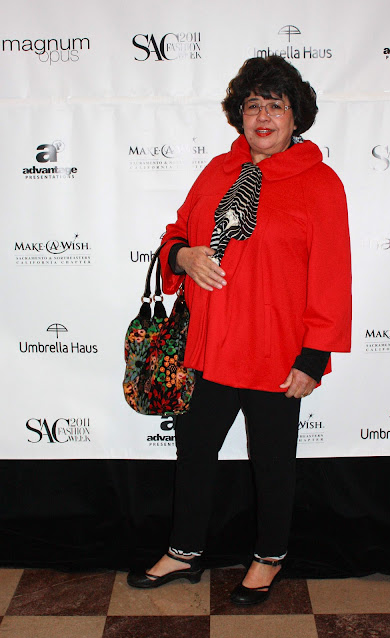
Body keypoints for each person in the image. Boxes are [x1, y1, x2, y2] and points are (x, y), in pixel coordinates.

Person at [127, 55, 351, 605]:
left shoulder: (320, 183)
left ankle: (269, 557)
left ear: (296, 117)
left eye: (276, 106)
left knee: (272, 462)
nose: (263, 117)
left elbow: (332, 274)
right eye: (253, 106)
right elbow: (176, 234)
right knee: (194, 455)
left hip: (276, 353)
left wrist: (314, 357)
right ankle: (184, 552)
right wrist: (183, 256)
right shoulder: (217, 172)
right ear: (239, 114)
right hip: (206, 346)